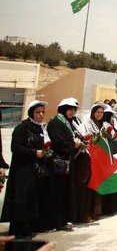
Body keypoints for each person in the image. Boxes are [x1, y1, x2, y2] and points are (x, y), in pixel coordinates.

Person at [1, 100, 53, 237]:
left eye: (42, 112)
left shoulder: (42, 128)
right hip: (22, 171)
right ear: (31, 113)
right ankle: (18, 230)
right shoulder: (22, 128)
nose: (41, 115)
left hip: (35, 170)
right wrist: (34, 152)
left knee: (32, 198)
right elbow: (15, 147)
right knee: (21, 199)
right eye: (38, 112)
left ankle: (30, 227)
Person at [46, 98, 81, 231]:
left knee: (66, 192)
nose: (72, 112)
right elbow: (57, 142)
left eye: (74, 109)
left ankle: (63, 220)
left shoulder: (67, 122)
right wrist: (73, 144)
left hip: (68, 161)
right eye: (70, 109)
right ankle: (56, 221)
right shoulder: (56, 122)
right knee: (58, 193)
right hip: (59, 163)